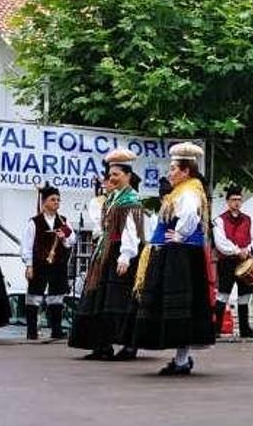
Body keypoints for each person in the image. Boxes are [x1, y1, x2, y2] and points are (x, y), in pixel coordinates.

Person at [132, 142, 216, 375]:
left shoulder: (189, 191)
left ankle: (181, 360)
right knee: (177, 307)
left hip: (181, 255)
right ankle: (181, 358)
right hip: (178, 253)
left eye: (173, 169)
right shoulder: (183, 190)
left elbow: (190, 215)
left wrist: (179, 235)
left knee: (179, 306)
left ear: (186, 171)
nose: (169, 173)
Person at [69, 149, 145, 360]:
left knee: (121, 299)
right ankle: (102, 345)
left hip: (120, 252)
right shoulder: (113, 199)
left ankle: (129, 346)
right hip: (106, 252)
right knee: (100, 298)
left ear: (128, 176)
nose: (112, 178)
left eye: (116, 174)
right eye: (110, 175)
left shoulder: (131, 199)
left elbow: (132, 230)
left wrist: (126, 256)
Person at [22, 184, 76, 340]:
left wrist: (63, 236)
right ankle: (32, 331)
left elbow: (71, 240)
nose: (56, 202)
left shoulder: (63, 221)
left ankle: (56, 330)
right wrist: (29, 265)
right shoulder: (35, 222)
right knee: (34, 296)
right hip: (39, 263)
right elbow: (27, 245)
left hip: (58, 264)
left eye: (58, 200)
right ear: (44, 201)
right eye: (53, 199)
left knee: (57, 295)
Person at [212, 185, 253, 338]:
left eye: (239, 200)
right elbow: (221, 243)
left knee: (245, 295)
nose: (236, 202)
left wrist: (248, 250)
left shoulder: (248, 220)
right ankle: (216, 330)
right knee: (223, 294)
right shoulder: (219, 221)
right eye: (233, 200)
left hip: (245, 262)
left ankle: (245, 329)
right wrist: (237, 251)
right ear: (228, 201)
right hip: (227, 262)